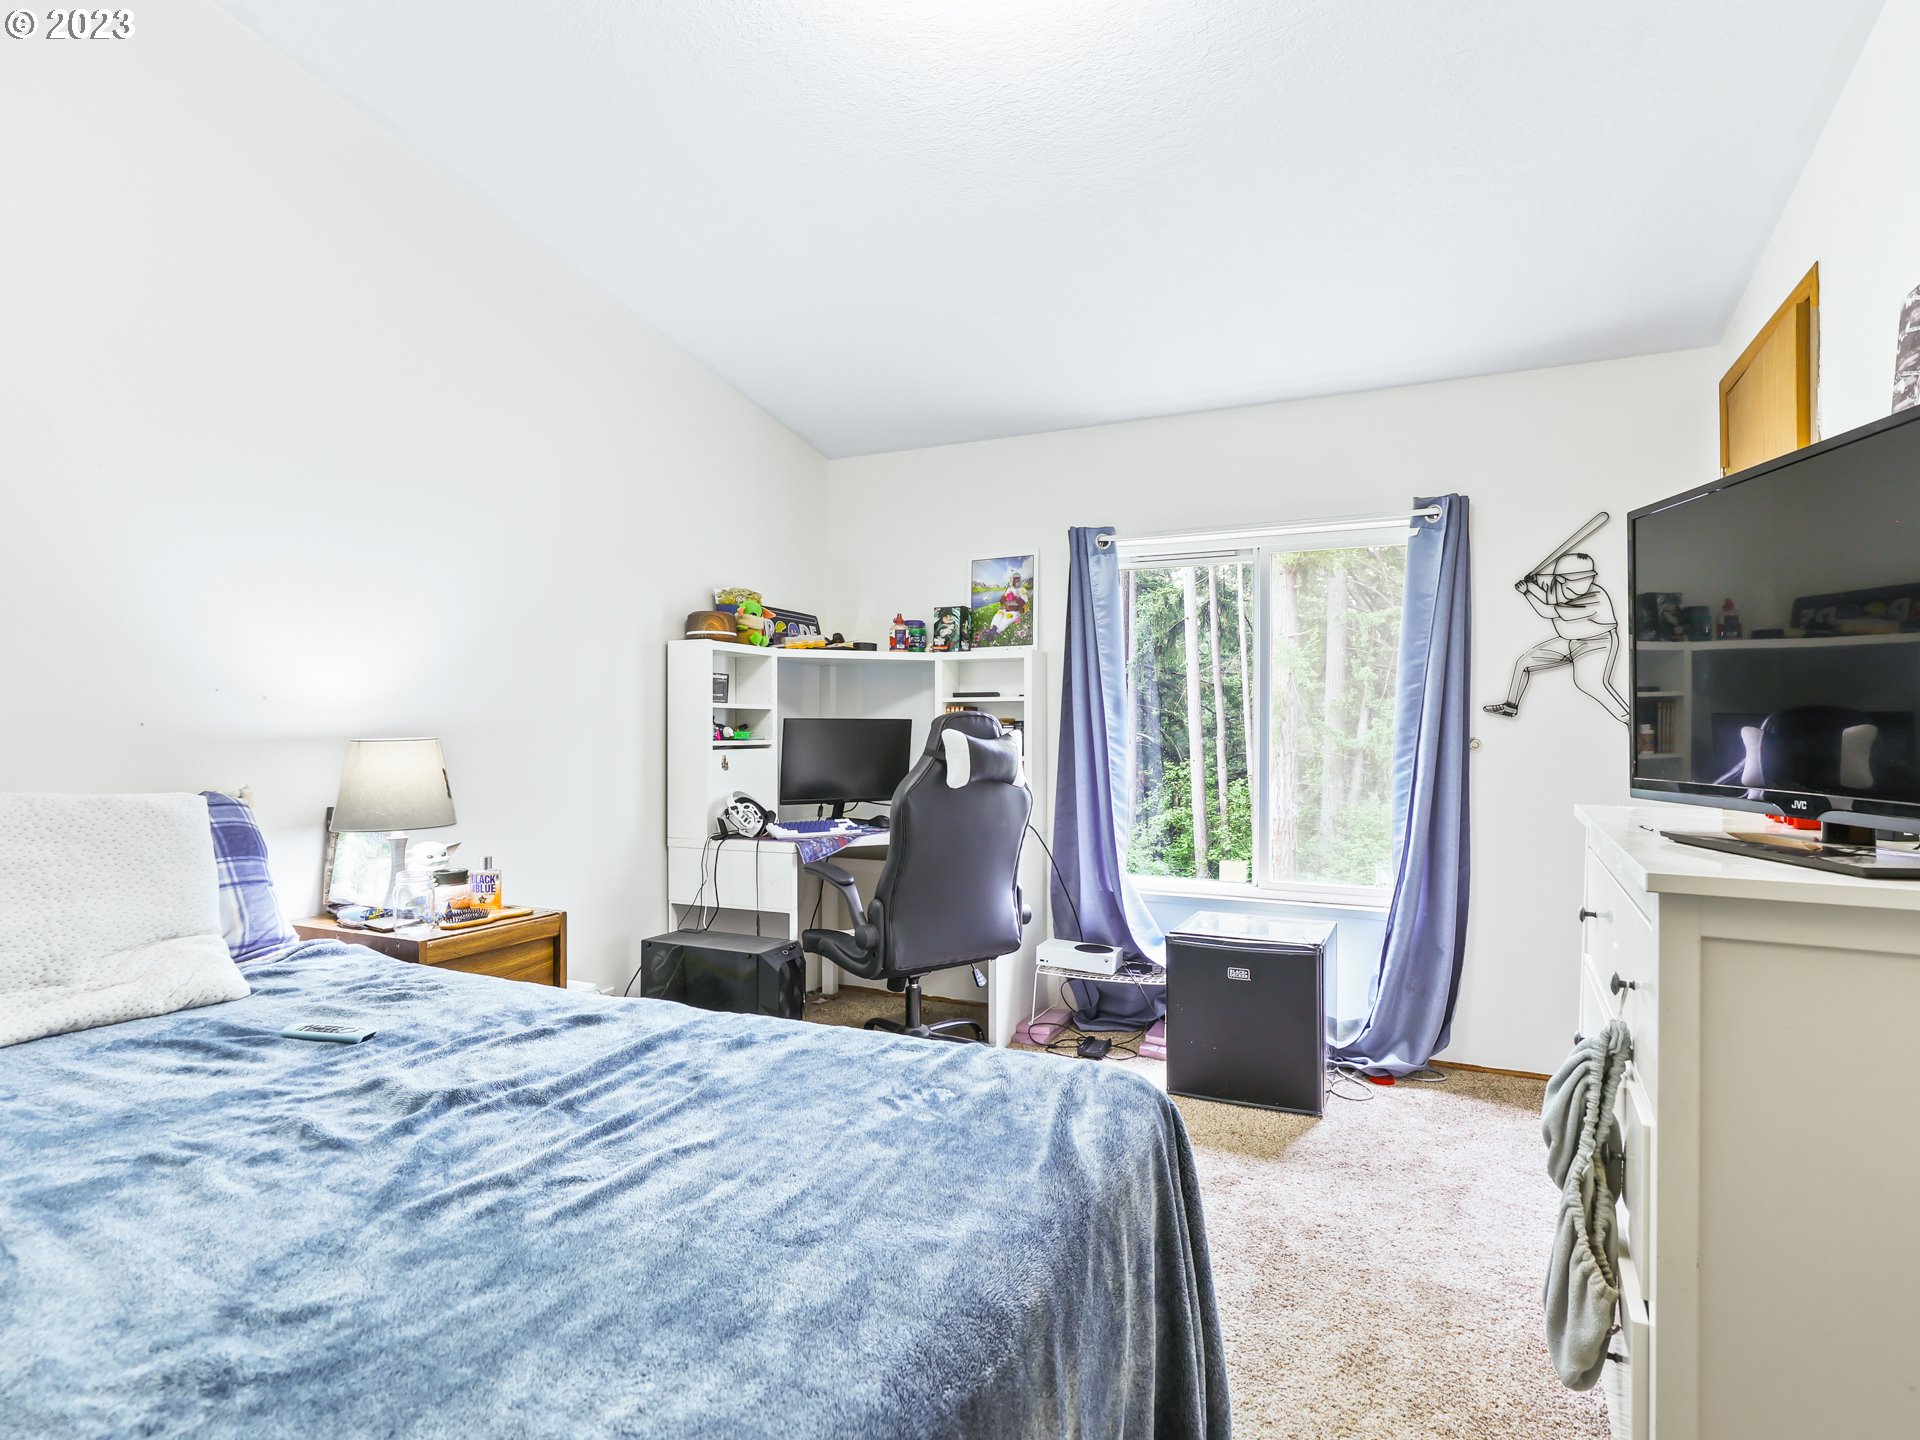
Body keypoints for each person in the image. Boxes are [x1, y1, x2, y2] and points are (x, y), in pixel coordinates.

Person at [1483, 551, 1629, 722]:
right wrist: (1533, 580)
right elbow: (1544, 587)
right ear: (1560, 579)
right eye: (1571, 583)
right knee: (1524, 662)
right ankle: (1510, 707)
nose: (1579, 588)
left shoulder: (1595, 598)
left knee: (1589, 683)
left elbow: (1547, 611)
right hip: (1568, 641)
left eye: (1586, 580)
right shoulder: (1556, 584)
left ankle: (1629, 720)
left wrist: (1527, 592)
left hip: (1597, 643)